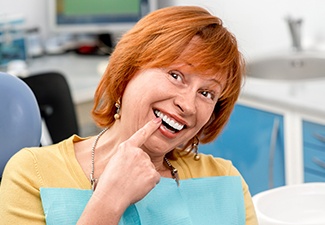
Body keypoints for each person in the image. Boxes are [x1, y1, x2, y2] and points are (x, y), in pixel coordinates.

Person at [0, 5, 257, 225]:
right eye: (175, 75)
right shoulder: (31, 174)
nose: (188, 105)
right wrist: (109, 201)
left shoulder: (226, 181)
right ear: (126, 75)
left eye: (206, 93)